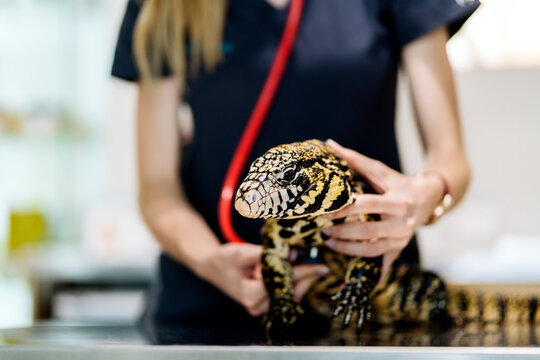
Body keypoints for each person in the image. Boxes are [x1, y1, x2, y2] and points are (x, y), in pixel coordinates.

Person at [112, 0, 478, 328]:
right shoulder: (162, 6)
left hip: (363, 307)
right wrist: (208, 259)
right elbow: (157, 187)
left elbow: (451, 159)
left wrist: (421, 198)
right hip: (205, 314)